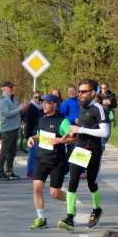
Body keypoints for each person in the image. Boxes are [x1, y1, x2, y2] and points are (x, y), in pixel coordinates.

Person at [58, 79, 110, 231]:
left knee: (91, 183)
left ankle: (96, 210)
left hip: (93, 150)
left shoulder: (98, 108)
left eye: (83, 91)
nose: (80, 94)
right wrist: (72, 134)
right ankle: (69, 218)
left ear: (92, 93)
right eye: (79, 91)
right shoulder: (81, 108)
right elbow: (82, 128)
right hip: (79, 149)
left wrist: (80, 130)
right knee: (72, 183)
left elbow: (104, 132)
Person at [27, 94, 75, 229]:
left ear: (55, 105)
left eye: (47, 103)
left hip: (57, 161)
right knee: (37, 188)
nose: (44, 105)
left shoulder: (63, 121)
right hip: (41, 159)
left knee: (55, 193)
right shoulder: (41, 119)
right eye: (43, 103)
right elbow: (40, 134)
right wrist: (33, 138)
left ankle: (70, 203)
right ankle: (41, 219)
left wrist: (60, 140)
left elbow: (73, 138)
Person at [0, 81, 29, 180]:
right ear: (4, 88)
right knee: (4, 152)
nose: (12, 89)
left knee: (12, 152)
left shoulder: (14, 98)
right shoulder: (3, 100)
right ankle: (0, 172)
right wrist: (20, 108)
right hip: (7, 129)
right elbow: (7, 114)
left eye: (12, 87)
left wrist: (24, 108)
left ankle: (9, 171)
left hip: (14, 128)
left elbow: (17, 112)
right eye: (9, 87)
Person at [24, 91, 42, 178]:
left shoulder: (41, 108)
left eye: (39, 97)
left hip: (38, 133)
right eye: (36, 97)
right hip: (31, 133)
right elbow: (29, 120)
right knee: (33, 152)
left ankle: (35, 170)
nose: (38, 99)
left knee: (37, 153)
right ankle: (29, 171)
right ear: (32, 98)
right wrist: (41, 120)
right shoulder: (30, 107)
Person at [99, 83, 118, 150]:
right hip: (99, 117)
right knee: (100, 132)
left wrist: (110, 103)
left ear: (107, 88)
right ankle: (101, 144)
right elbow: (94, 104)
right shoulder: (98, 96)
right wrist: (102, 102)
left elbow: (115, 105)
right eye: (102, 88)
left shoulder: (111, 96)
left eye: (105, 88)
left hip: (108, 117)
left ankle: (103, 143)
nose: (103, 89)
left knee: (108, 133)